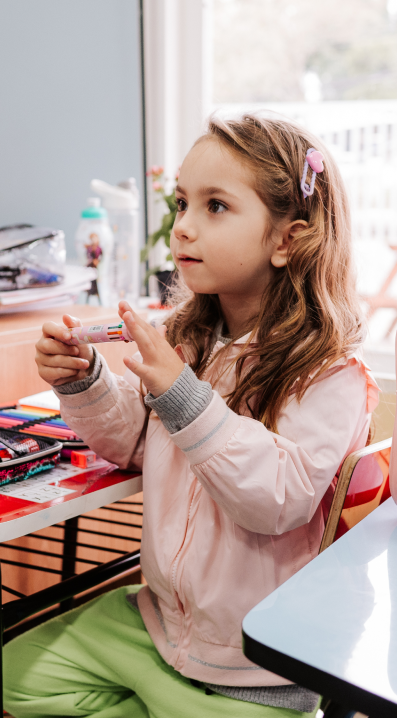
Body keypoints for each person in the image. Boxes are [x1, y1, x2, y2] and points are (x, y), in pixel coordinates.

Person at [5, 115, 379, 718]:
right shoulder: (190, 339)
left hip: (255, 664)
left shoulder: (329, 373)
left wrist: (182, 395)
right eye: (182, 203)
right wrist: (87, 380)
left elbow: (275, 499)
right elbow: (136, 445)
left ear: (287, 240)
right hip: (159, 626)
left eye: (216, 207)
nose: (182, 227)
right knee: (15, 678)